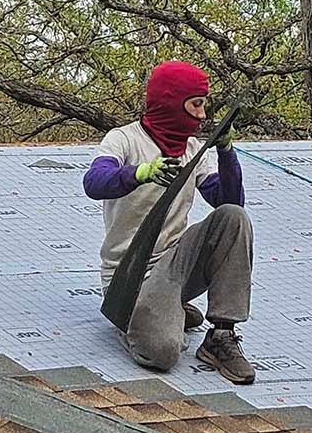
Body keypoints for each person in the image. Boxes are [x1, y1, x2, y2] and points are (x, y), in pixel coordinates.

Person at [82, 60, 257, 385]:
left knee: (234, 218)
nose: (203, 116)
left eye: (205, 105)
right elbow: (94, 181)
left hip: (177, 263)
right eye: (196, 105)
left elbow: (229, 201)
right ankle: (147, 317)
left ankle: (220, 334)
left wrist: (227, 152)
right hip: (130, 275)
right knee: (161, 353)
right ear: (172, 103)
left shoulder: (193, 148)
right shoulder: (124, 140)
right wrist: (139, 173)